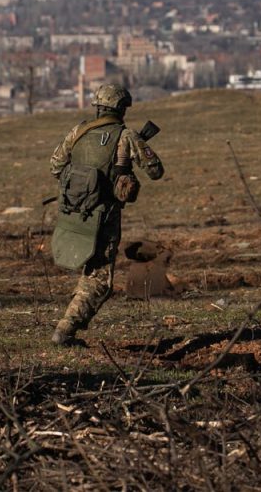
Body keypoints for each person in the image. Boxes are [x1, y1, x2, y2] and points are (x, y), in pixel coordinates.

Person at [49, 83, 164, 346]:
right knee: (100, 280)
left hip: (74, 213)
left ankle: (65, 330)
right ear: (121, 108)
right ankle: (65, 331)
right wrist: (135, 152)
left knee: (89, 271)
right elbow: (156, 171)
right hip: (104, 216)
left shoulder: (78, 131)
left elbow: (56, 166)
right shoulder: (126, 136)